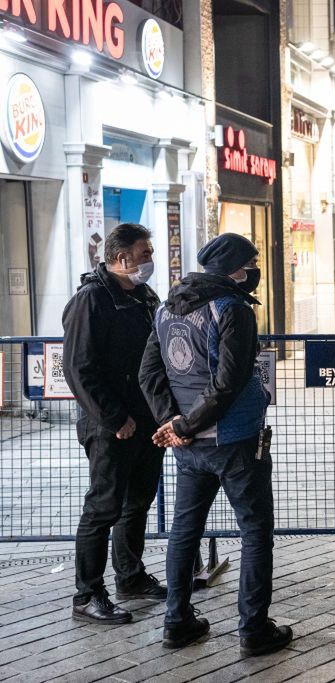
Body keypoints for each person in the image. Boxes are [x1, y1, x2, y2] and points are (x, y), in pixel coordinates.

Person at [139, 233, 291, 655]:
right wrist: (184, 424)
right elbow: (228, 383)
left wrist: (174, 424)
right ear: (235, 269)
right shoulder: (232, 308)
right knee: (256, 531)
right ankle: (254, 629)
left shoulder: (168, 308)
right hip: (235, 441)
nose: (254, 270)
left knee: (184, 530)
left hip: (190, 447)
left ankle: (177, 621)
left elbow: (148, 374)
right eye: (251, 263)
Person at [62, 223, 166, 624]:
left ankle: (131, 577)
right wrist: (114, 417)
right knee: (103, 508)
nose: (150, 261)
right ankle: (87, 594)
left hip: (145, 422)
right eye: (144, 254)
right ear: (121, 258)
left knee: (137, 501)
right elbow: (79, 369)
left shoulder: (143, 295)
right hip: (109, 425)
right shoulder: (91, 300)